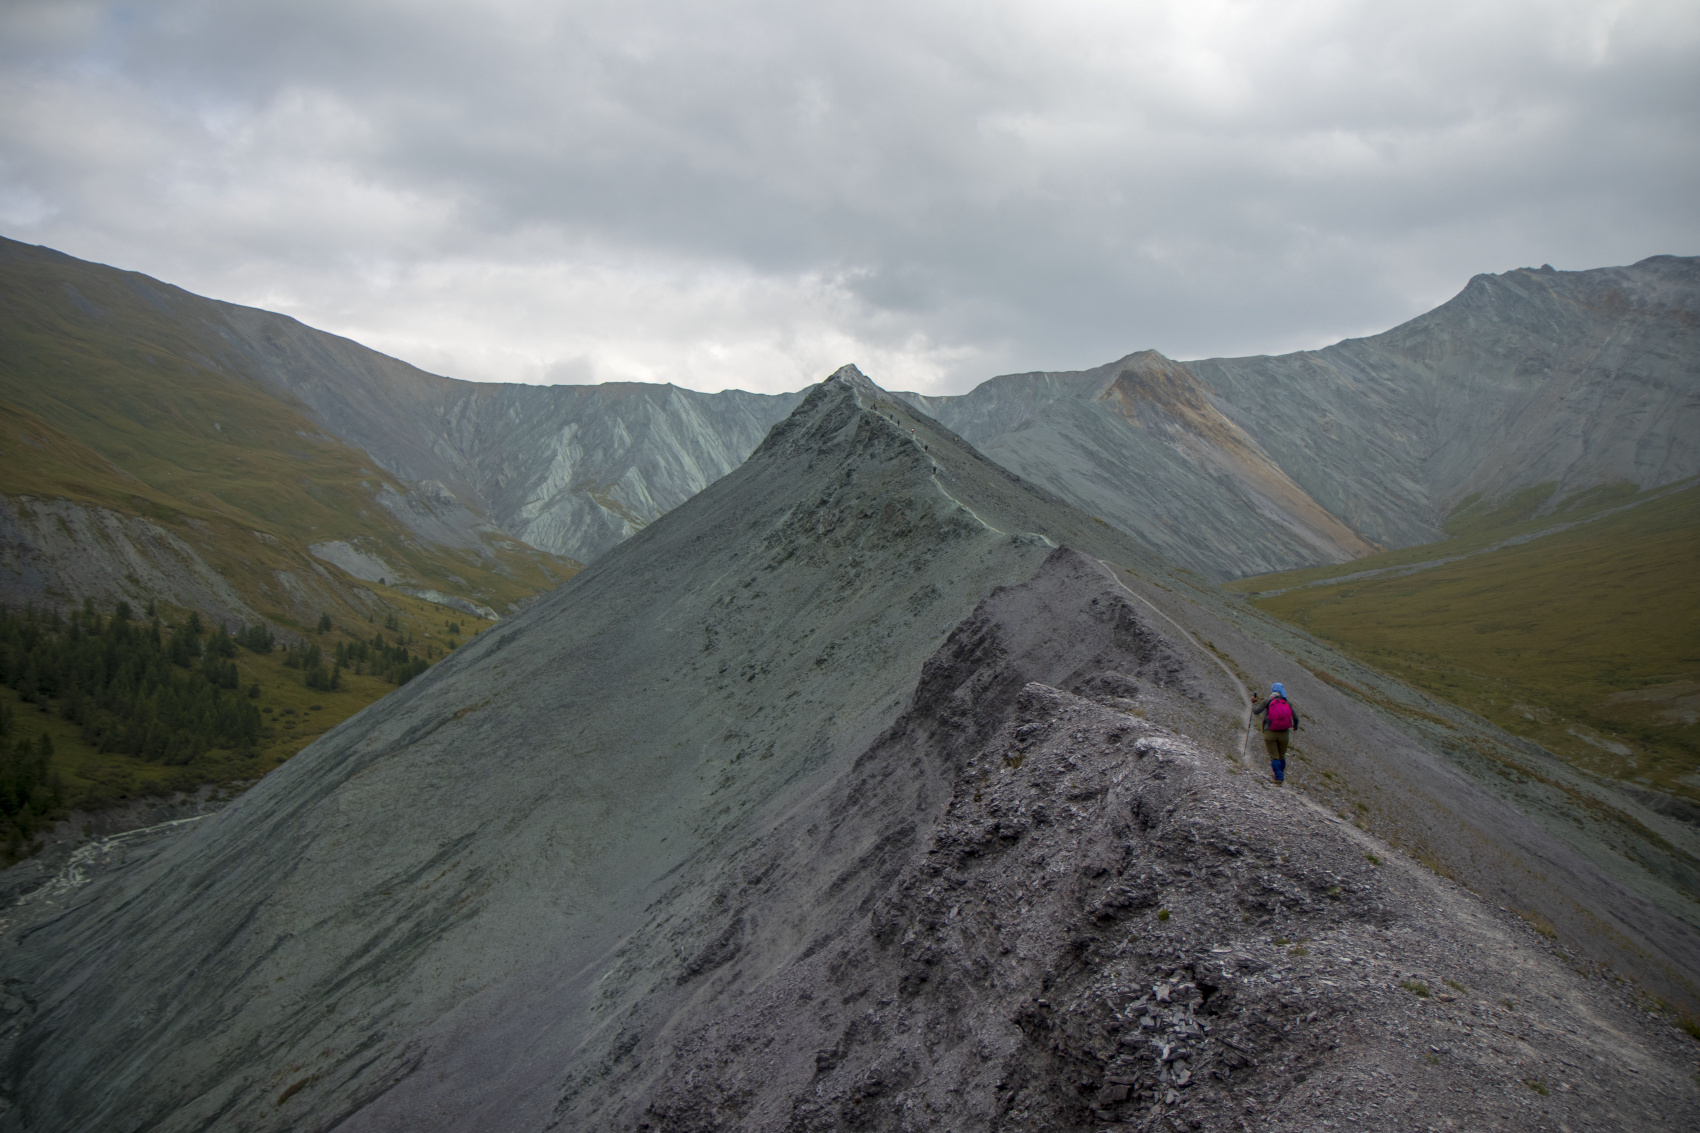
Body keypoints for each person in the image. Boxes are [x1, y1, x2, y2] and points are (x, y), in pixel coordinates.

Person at [1251, 682, 1300, 784]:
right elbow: (1296, 718)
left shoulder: (1268, 700)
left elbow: (1256, 711)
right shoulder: (1287, 702)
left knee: (1274, 756)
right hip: (1284, 734)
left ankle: (1278, 777)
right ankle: (1279, 775)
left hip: (1270, 732)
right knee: (1281, 756)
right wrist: (1295, 726)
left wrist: (1254, 702)